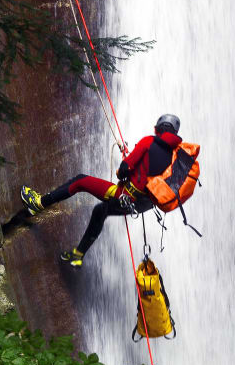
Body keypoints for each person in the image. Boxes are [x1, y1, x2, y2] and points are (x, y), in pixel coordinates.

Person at [20, 114, 182, 268]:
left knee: (80, 181)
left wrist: (126, 165)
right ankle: (78, 255)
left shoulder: (148, 142)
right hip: (141, 206)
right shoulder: (177, 158)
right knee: (100, 211)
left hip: (125, 196)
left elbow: (123, 170)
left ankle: (38, 203)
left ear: (156, 129)